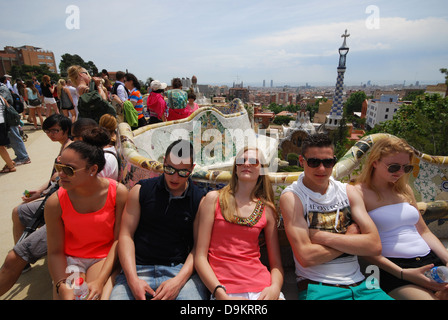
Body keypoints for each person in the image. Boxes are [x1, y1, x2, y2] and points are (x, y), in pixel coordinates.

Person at [279, 133, 393, 300]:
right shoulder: (293, 197)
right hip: (319, 287)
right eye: (313, 162)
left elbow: (374, 246)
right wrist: (350, 238)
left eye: (328, 162)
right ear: (302, 161)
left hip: (363, 286)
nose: (321, 169)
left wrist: (321, 237)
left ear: (334, 161)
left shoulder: (348, 191)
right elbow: (306, 257)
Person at [110, 139, 208, 300]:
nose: (175, 177)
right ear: (164, 162)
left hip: (178, 270)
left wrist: (178, 282)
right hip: (138, 268)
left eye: (183, 172)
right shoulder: (141, 191)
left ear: (192, 169)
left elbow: (198, 249)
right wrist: (133, 280)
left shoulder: (199, 200)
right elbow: (126, 235)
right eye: (169, 169)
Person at [355, 136, 448, 300]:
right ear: (374, 162)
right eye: (394, 167)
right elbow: (362, 248)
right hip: (394, 268)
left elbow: (424, 231)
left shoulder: (404, 189)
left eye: (406, 168)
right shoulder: (358, 193)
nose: (400, 172)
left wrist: (446, 259)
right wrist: (403, 273)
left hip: (430, 260)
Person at [195, 146, 284, 300]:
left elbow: (276, 265)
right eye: (241, 161)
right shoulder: (213, 200)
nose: (246, 164)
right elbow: (200, 257)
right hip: (225, 290)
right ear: (235, 168)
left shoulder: (267, 210)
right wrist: (221, 295)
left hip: (263, 289)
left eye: (254, 162)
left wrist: (275, 288)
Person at [0, 114, 73, 297]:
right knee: (18, 211)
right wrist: (40, 192)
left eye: (54, 130)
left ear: (66, 131)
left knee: (14, 257)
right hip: (53, 199)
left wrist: (46, 194)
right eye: (47, 130)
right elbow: (54, 180)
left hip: (60, 207)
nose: (50, 134)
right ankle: (23, 263)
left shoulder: (71, 151)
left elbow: (61, 182)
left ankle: (21, 258)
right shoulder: (62, 148)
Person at [45, 140, 128, 299]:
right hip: (72, 260)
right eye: (59, 167)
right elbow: (55, 252)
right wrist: (61, 284)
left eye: (68, 170)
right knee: (71, 296)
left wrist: (99, 280)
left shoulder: (118, 193)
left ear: (93, 169)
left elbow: (119, 240)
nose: (60, 175)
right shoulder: (55, 202)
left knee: (95, 295)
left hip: (104, 256)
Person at [0, 79, 31, 166]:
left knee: (14, 137)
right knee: (13, 137)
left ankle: (23, 157)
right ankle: (20, 156)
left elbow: (4, 103)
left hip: (8, 117)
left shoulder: (2, 89)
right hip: (6, 117)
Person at [0, 95, 16, 173]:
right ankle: (9, 162)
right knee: (2, 146)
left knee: (1, 147)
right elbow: (7, 107)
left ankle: (11, 166)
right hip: (3, 123)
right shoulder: (1, 97)